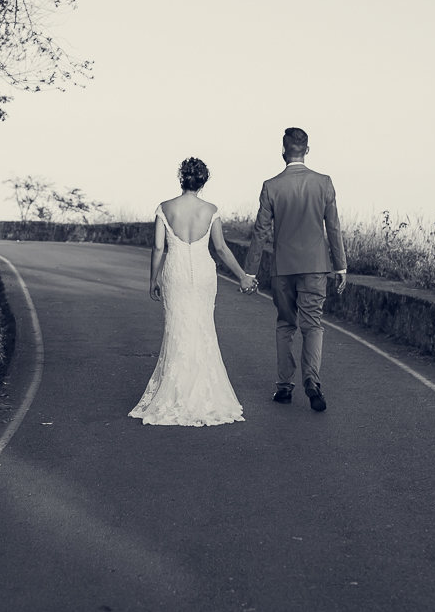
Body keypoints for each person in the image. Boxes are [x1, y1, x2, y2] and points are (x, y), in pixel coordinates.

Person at [129, 158, 255, 426]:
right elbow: (220, 249)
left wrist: (152, 279)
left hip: (175, 272)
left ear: (181, 178)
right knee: (202, 328)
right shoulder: (211, 210)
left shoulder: (165, 208)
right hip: (203, 272)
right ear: (203, 182)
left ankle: (176, 392)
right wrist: (242, 276)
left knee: (177, 328)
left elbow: (158, 248)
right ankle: (205, 393)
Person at [244, 128, 347, 411]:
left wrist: (250, 272)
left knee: (285, 325)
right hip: (315, 266)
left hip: (282, 268)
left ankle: (284, 387)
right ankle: (312, 380)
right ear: (307, 150)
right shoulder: (324, 183)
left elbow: (260, 232)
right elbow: (334, 228)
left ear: (283, 150)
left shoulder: (271, 186)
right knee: (313, 325)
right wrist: (340, 266)